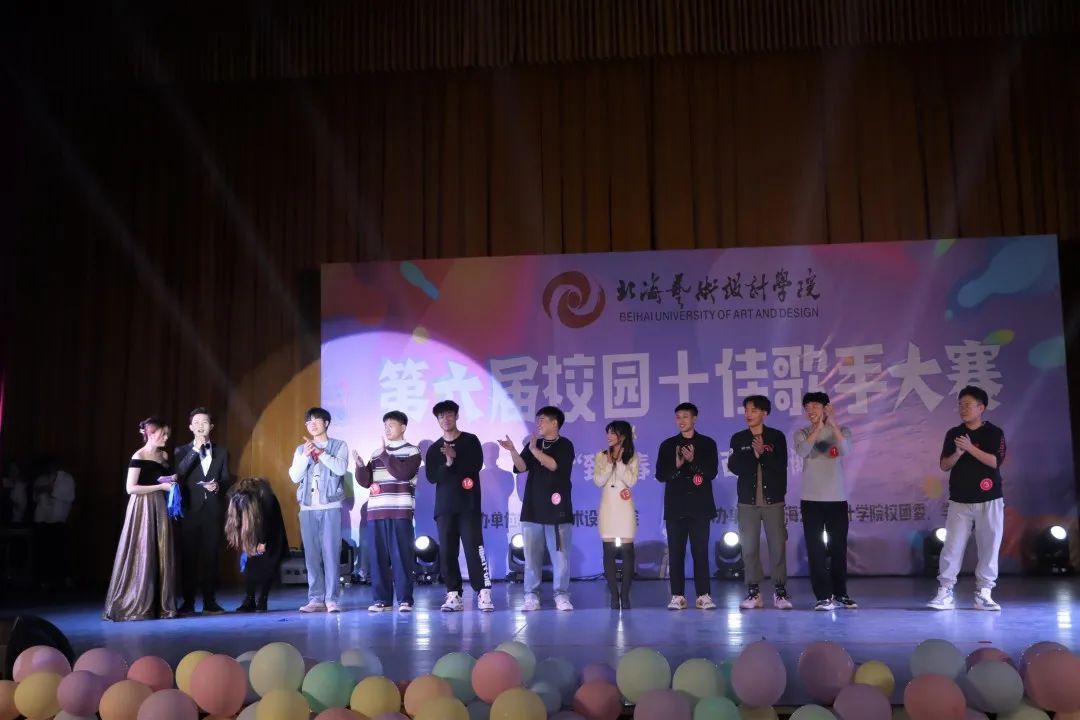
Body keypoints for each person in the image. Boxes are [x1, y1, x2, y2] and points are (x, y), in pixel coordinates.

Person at [928, 385, 1006, 611]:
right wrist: (958, 453)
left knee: (989, 545)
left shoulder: (994, 433)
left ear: (981, 408)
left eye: (968, 405)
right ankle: (945, 591)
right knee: (952, 546)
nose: (963, 409)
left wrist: (970, 448)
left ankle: (984, 593)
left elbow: (995, 462)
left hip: (989, 498)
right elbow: (944, 465)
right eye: (960, 405)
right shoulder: (954, 433)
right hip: (960, 499)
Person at [499, 406, 576, 612]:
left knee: (560, 557)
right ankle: (531, 595)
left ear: (555, 422)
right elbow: (521, 467)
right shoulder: (533, 444)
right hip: (532, 509)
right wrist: (513, 450)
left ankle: (561, 595)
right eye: (537, 420)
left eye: (542, 419)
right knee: (531, 558)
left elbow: (553, 465)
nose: (538, 423)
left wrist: (534, 450)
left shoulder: (565, 445)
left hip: (558, 511)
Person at [103, 416, 179, 621]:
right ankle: (138, 603)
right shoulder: (139, 455)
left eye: (167, 434)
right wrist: (160, 486)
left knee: (160, 549)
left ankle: (159, 605)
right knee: (143, 550)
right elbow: (131, 488)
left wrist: (171, 480)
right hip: (143, 506)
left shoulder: (163, 455)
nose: (166, 438)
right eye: (163, 434)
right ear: (150, 434)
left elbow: (162, 476)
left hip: (160, 506)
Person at [424, 400, 494, 613]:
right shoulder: (434, 449)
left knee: (474, 549)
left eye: (449, 415)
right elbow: (432, 477)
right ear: (437, 421)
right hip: (444, 508)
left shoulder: (470, 441)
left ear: (456, 416)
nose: (445, 419)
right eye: (441, 416)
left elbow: (475, 465)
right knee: (447, 552)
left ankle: (483, 592)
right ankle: (453, 593)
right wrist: (447, 463)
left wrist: (456, 457)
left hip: (468, 506)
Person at [728, 395, 792, 610]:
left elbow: (781, 465)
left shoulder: (776, 436)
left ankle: (780, 592)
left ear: (765, 413)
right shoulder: (738, 438)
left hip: (773, 500)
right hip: (748, 502)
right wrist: (754, 454)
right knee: (749, 548)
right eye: (746, 410)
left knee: (777, 546)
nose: (748, 414)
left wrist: (764, 452)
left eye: (753, 410)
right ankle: (753, 592)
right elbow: (734, 467)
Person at [354, 410, 421, 613]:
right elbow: (366, 481)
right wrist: (360, 466)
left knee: (401, 557)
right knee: (377, 558)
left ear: (403, 427)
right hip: (376, 511)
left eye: (391, 425)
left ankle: (405, 600)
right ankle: (382, 601)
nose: (387, 429)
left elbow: (403, 473)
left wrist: (385, 455)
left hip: (400, 511)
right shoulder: (376, 453)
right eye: (385, 426)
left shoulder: (412, 451)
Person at [794, 392, 856, 610]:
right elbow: (803, 451)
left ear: (826, 408)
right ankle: (823, 596)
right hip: (811, 500)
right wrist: (817, 428)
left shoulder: (842, 431)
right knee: (816, 550)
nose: (811, 411)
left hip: (836, 499)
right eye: (807, 407)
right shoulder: (802, 433)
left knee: (838, 548)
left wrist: (833, 424)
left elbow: (845, 449)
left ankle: (840, 594)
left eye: (815, 406)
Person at [656, 403, 719, 610]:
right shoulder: (668, 445)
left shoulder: (707, 443)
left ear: (694, 419)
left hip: (700, 506)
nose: (681, 421)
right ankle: (677, 596)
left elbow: (711, 472)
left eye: (685, 416)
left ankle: (703, 595)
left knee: (700, 552)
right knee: (676, 553)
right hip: (676, 507)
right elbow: (660, 475)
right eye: (678, 417)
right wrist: (677, 465)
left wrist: (692, 461)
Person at [288, 407, 350, 613]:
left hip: (330, 506)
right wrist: (306, 456)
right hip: (307, 507)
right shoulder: (301, 449)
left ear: (326, 423)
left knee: (331, 554)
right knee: (311, 555)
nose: (312, 424)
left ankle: (331, 599)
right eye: (308, 422)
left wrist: (321, 453)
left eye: (316, 420)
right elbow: (294, 477)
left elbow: (340, 468)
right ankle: (315, 598)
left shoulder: (339, 445)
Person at [174, 407, 232, 614]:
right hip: (190, 509)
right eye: (196, 422)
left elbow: (226, 480)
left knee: (211, 556)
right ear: (190, 427)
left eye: (204, 422)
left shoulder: (222, 452)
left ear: (211, 426)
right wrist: (195, 450)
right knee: (189, 556)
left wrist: (218, 486)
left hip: (213, 510)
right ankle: (188, 602)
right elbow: (179, 474)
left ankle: (210, 601)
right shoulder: (181, 451)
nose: (200, 426)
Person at [593, 420, 639, 609]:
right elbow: (598, 481)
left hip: (624, 506)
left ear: (623, 435)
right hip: (608, 508)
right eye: (608, 433)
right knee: (608, 552)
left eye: (613, 433)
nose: (609, 436)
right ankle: (614, 596)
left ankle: (625, 595)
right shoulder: (601, 456)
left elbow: (631, 481)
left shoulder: (632, 456)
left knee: (628, 552)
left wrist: (619, 462)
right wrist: (609, 463)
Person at [226, 477, 288, 613]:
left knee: (269, 565)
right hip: (254, 528)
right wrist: (246, 544)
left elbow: (268, 523)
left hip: (272, 532)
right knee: (250, 564)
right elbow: (238, 521)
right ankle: (249, 599)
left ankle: (263, 599)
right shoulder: (236, 497)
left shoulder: (267, 499)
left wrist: (262, 542)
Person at [31, 456, 76, 589]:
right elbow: (36, 496)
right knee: (44, 549)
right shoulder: (41, 478)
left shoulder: (66, 478)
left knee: (59, 549)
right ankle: (45, 579)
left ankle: (63, 579)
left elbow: (68, 496)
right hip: (43, 518)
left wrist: (48, 489)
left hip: (58, 519)